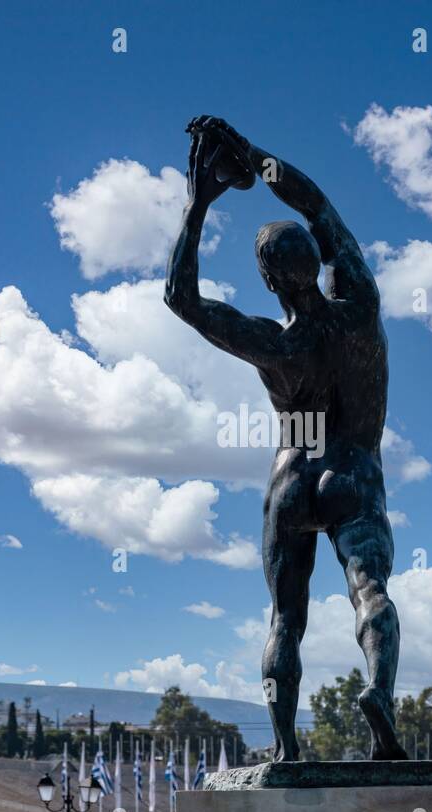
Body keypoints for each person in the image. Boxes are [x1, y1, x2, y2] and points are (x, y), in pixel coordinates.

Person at [165, 116, 408, 761]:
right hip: (353, 468)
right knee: (371, 591)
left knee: (285, 621)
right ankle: (378, 694)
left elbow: (182, 299)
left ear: (270, 281)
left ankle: (285, 749)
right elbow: (316, 202)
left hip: (294, 472)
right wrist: (257, 156)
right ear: (321, 263)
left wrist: (199, 205)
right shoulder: (361, 307)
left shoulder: (275, 344)